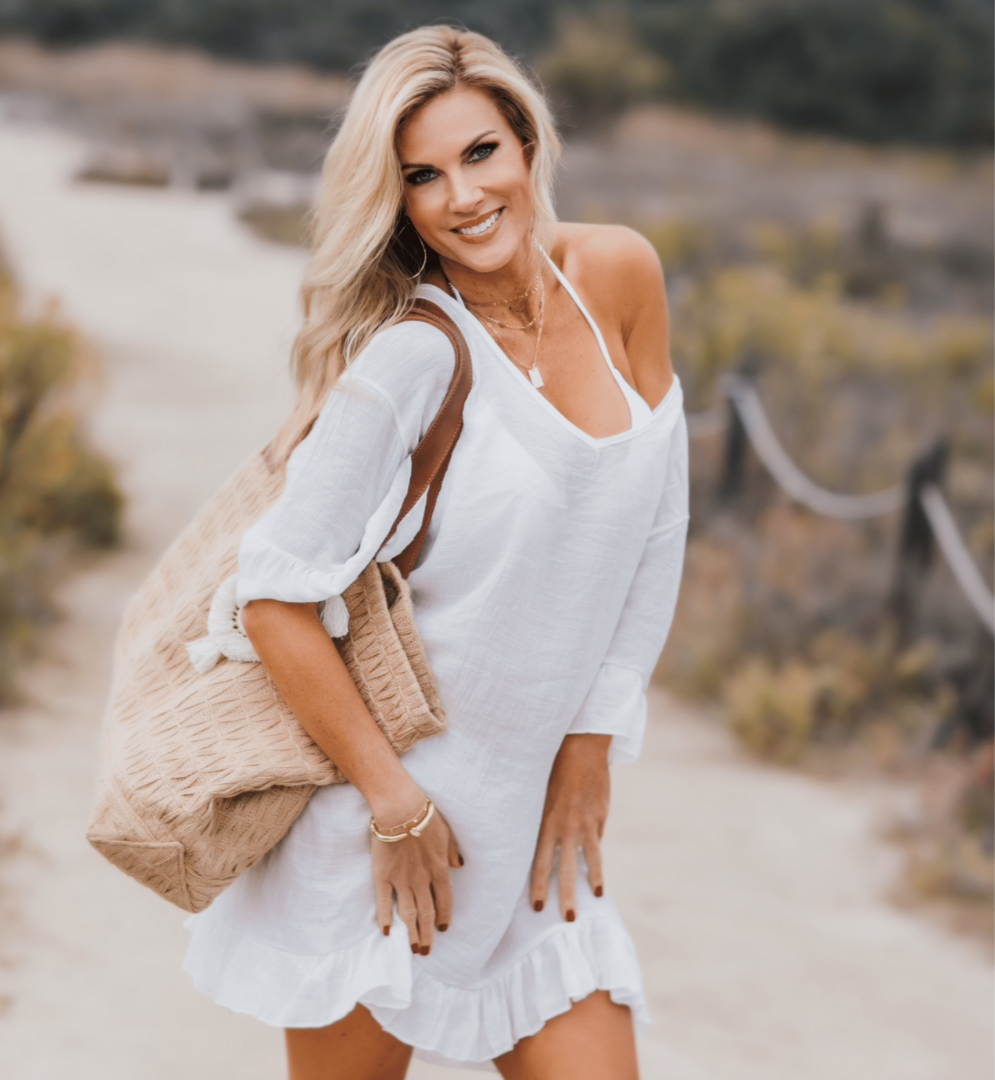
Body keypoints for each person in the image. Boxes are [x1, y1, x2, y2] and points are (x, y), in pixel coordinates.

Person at [183, 24, 688, 1080]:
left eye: (478, 154)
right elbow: (272, 598)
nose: (461, 196)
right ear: (395, 199)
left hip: (541, 847)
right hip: (391, 840)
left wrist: (592, 733)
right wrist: (394, 804)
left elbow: (655, 519)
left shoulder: (618, 275)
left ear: (526, 147)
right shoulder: (410, 359)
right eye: (420, 176)